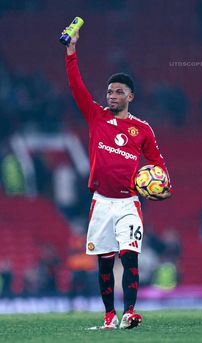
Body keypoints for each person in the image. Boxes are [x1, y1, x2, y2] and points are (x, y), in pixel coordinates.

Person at [63, 26, 172, 330]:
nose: (112, 96)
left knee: (129, 255)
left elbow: (157, 163)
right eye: (110, 92)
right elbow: (76, 87)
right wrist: (71, 51)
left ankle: (130, 312)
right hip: (101, 203)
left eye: (119, 92)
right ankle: (109, 315)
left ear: (130, 96)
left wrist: (165, 185)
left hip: (128, 203)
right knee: (105, 261)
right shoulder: (97, 117)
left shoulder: (143, 130)